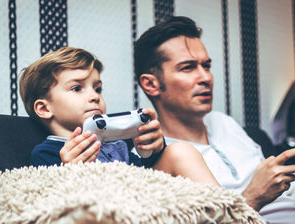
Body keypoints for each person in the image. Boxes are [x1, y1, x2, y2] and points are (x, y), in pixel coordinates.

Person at [134, 16, 295, 224]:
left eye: (206, 66)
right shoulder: (161, 158)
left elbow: (285, 197)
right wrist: (253, 196)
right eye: (188, 67)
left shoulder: (223, 123)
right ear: (151, 84)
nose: (205, 77)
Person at [18, 46, 219, 189]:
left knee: (180, 150)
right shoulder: (48, 153)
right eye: (77, 88)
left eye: (97, 88)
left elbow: (146, 177)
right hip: (107, 214)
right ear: (44, 109)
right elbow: (52, 201)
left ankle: (230, 213)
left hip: (143, 198)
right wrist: (69, 171)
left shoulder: (116, 144)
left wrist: (153, 151)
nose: (94, 96)